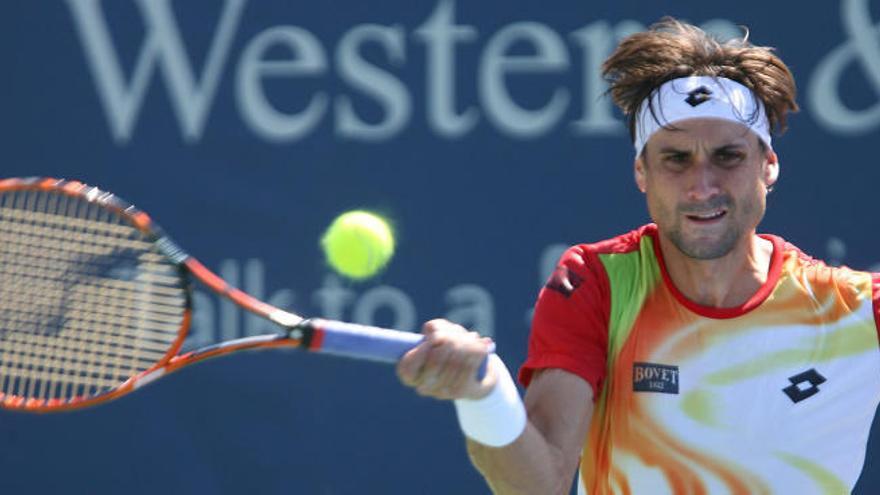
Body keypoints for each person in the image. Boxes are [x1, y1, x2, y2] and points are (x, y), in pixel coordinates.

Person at [397, 17, 880, 495]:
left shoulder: (859, 312)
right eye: (676, 159)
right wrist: (482, 393)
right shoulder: (598, 284)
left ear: (768, 165)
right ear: (641, 172)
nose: (702, 186)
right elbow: (536, 485)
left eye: (727, 156)